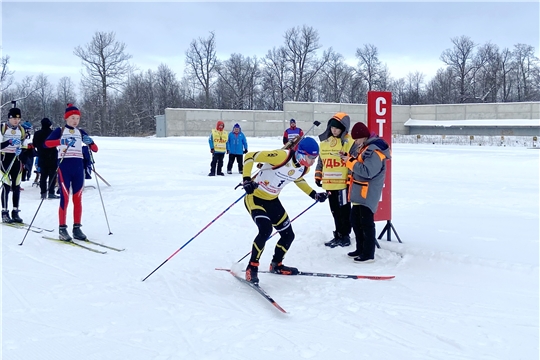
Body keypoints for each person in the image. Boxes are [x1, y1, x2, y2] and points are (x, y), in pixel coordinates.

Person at [241, 137, 328, 285]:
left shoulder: (303, 167)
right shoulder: (281, 156)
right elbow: (250, 156)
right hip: (255, 197)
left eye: (315, 158)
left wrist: (314, 194)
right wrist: (247, 180)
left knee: (288, 235)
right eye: (310, 157)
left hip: (272, 201)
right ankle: (252, 267)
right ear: (301, 153)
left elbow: (297, 178)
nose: (313, 162)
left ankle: (276, 264)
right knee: (265, 230)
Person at [44, 104, 98, 241]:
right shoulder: (60, 130)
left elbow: (95, 149)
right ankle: (62, 228)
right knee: (65, 197)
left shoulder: (81, 132)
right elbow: (46, 144)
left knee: (78, 198)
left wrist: (90, 142)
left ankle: (77, 228)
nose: (75, 121)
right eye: (72, 118)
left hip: (78, 167)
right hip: (64, 167)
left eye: (78, 118)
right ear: (66, 118)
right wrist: (60, 141)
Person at [341, 122, 391, 263]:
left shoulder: (374, 151)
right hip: (359, 191)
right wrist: (348, 157)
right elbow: (359, 163)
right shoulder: (364, 147)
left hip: (368, 193)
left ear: (363, 137)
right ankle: (360, 249)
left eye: (357, 139)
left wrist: (350, 162)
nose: (355, 142)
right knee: (355, 221)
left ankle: (368, 253)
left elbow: (368, 171)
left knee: (366, 223)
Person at [315, 112, 354, 248]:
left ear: (343, 128)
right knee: (334, 211)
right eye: (332, 127)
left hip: (343, 185)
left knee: (344, 211)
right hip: (329, 184)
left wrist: (350, 179)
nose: (334, 130)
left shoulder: (349, 142)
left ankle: (345, 235)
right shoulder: (325, 143)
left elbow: (352, 162)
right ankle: (338, 234)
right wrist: (318, 175)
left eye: (337, 128)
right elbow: (321, 161)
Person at [0, 107, 26, 223]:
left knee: (16, 186)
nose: (16, 121)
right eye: (14, 118)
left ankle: (15, 212)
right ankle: (4, 212)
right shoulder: (3, 128)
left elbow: (25, 146)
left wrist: (22, 150)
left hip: (16, 159)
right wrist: (9, 142)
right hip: (4, 159)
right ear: (9, 118)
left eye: (18, 118)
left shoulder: (21, 129)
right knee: (6, 185)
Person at [33, 117, 60, 199]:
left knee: (43, 176)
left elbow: (34, 144)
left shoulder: (37, 133)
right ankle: (51, 192)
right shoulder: (52, 133)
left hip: (42, 156)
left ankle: (43, 193)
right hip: (52, 156)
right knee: (52, 175)